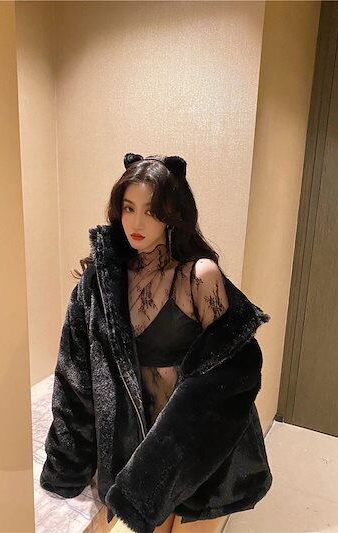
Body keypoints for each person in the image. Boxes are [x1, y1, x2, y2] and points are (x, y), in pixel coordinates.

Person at [40, 153, 273, 533]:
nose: (137, 223)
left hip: (196, 452)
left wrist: (164, 465)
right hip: (135, 454)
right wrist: (66, 466)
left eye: (151, 211)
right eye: (128, 208)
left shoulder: (199, 276)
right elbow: (74, 379)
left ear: (172, 214)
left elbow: (229, 377)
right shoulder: (101, 282)